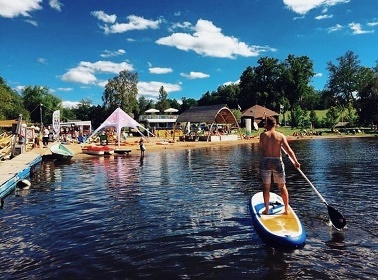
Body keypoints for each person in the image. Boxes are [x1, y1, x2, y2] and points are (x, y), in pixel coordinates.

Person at [259, 116, 300, 215]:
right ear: (275, 125)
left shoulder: (262, 135)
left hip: (266, 161)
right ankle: (286, 209)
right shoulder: (281, 136)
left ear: (266, 124)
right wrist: (295, 162)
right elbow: (289, 150)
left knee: (266, 187)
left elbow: (262, 146)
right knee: (282, 187)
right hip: (277, 161)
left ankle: (267, 210)